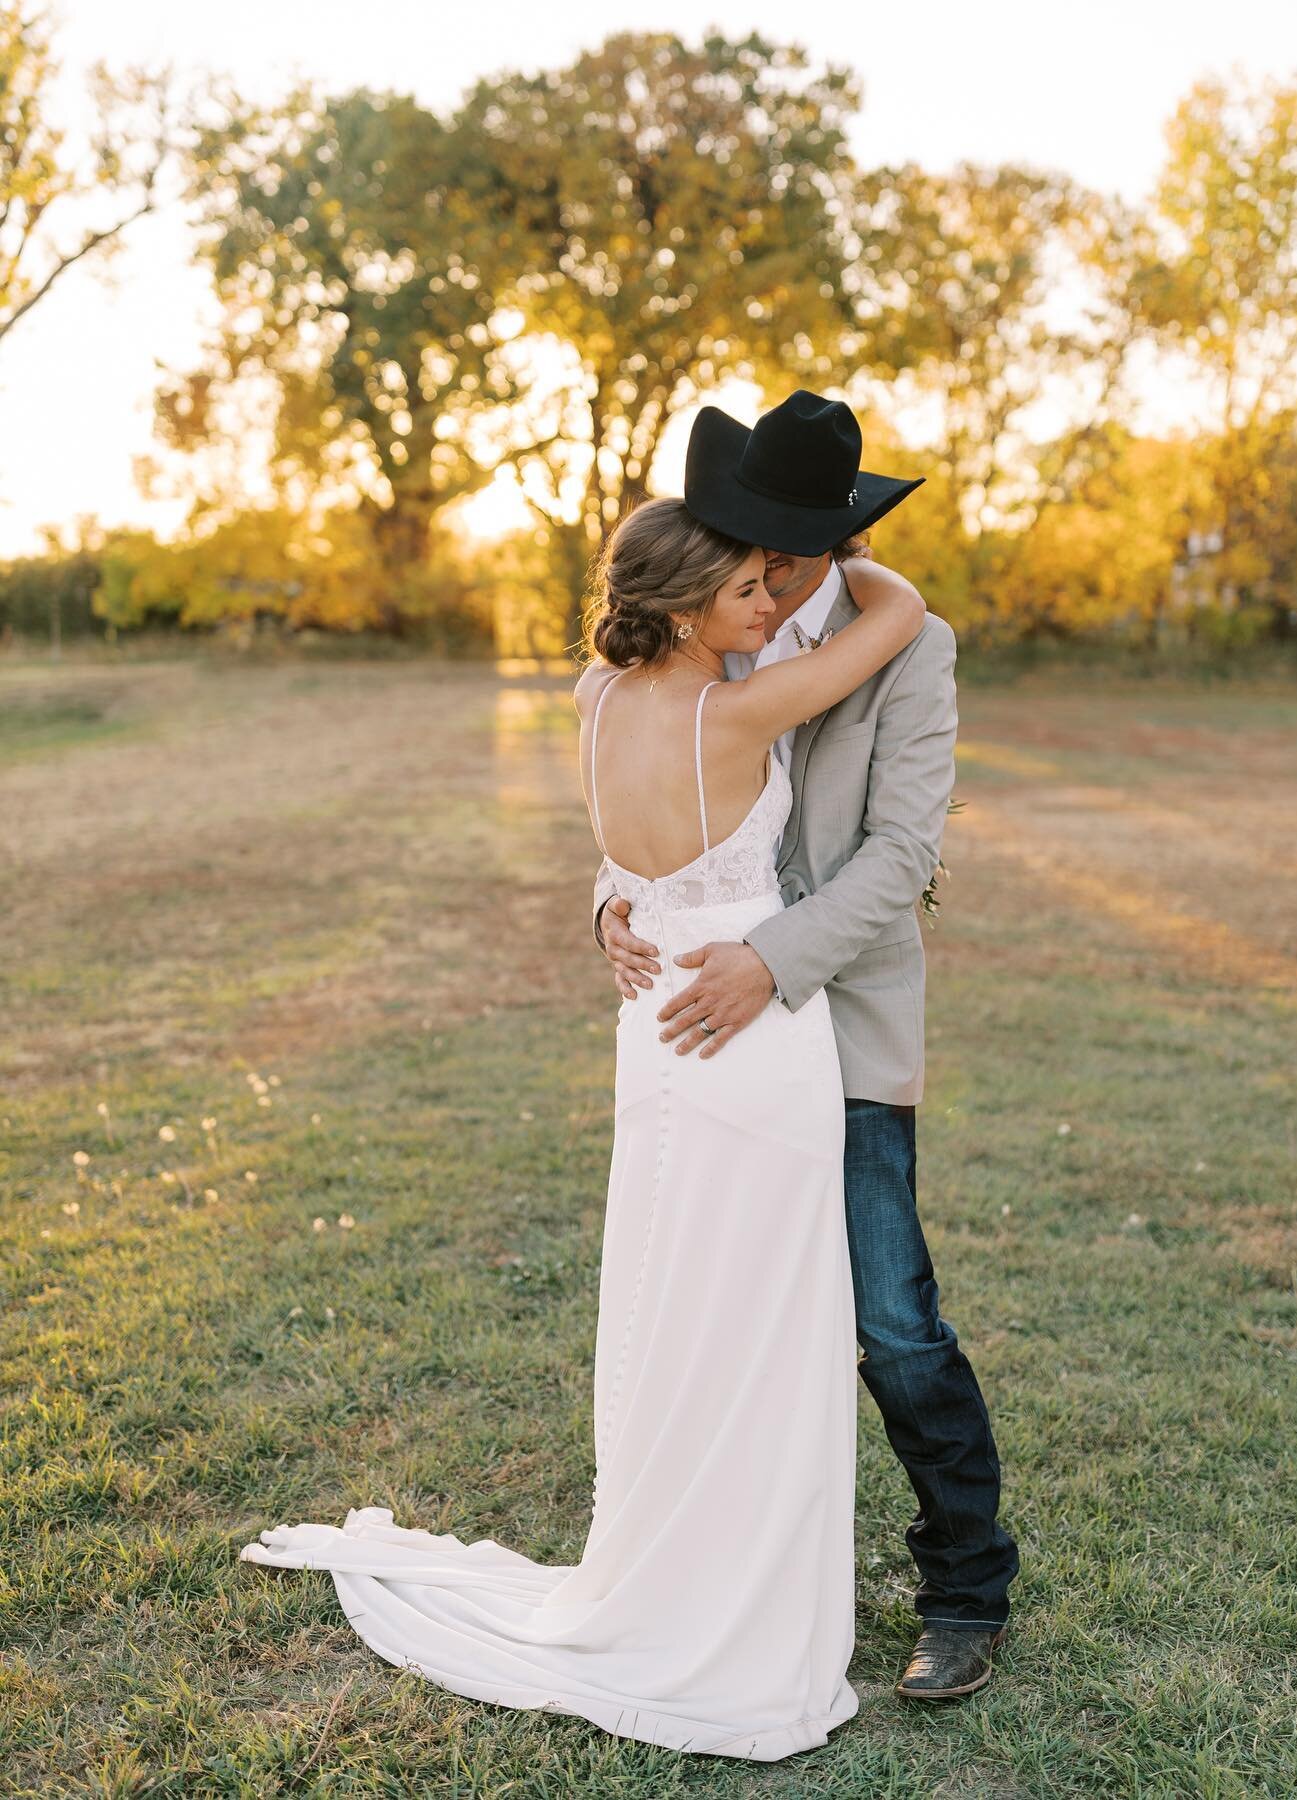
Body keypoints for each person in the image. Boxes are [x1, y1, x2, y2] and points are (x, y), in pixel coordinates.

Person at [239, 481, 928, 1761]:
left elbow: (627, 862)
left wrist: (614, 914)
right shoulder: (740, 706)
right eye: (743, 590)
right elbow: (898, 612)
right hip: (743, 1021)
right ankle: (733, 1599)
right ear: (678, 607)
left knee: (675, 1298)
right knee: (765, 1316)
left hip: (651, 1014)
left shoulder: (596, 695)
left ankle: (682, 1557)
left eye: (773, 585)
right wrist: (847, 555)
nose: (769, 604)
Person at [597, 390, 1021, 1701]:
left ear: (830, 544)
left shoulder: (913, 646)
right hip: (710, 1037)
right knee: (724, 1305)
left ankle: (966, 1589)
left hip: (840, 1018)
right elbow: (644, 791)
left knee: (890, 1319)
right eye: (747, 552)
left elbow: (902, 857)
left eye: (780, 555)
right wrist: (614, 906)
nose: (761, 583)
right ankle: (739, 1567)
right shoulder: (715, 623)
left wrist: (769, 961)